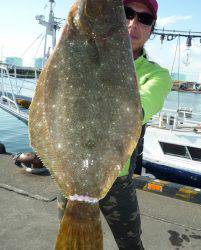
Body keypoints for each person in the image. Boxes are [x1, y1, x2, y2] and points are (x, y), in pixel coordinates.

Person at [57, 0, 172, 249]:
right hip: (72, 175)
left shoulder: (156, 75)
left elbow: (137, 110)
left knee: (131, 244)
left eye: (144, 19)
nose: (133, 23)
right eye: (127, 13)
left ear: (152, 28)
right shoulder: (83, 49)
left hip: (117, 181)